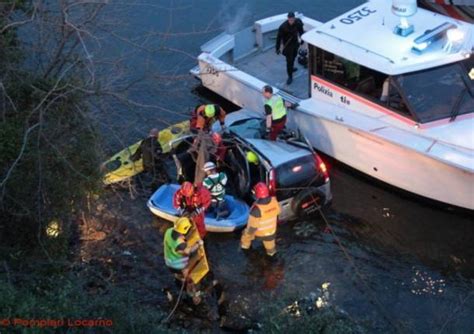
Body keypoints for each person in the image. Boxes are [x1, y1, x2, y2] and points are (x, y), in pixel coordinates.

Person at [163, 217, 203, 304]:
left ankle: (178, 279)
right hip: (178, 265)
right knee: (189, 279)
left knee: (178, 275)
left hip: (168, 260)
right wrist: (198, 244)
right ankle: (193, 295)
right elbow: (188, 252)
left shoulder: (169, 231)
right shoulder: (180, 244)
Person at [241, 182, 281, 257]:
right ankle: (272, 257)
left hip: (260, 233)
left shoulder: (257, 210)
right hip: (271, 232)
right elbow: (278, 211)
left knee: (246, 235)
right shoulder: (274, 201)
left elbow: (252, 227)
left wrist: (247, 235)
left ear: (256, 194)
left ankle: (245, 248)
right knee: (271, 249)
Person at [276, 12, 304, 85]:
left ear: (294, 18)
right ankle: (290, 76)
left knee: (294, 56)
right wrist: (277, 48)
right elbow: (278, 38)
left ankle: (292, 68)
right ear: (288, 19)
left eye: (292, 19)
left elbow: (301, 31)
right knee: (289, 61)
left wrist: (302, 39)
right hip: (288, 46)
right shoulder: (283, 27)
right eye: (290, 19)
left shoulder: (298, 22)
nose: (291, 21)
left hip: (295, 43)